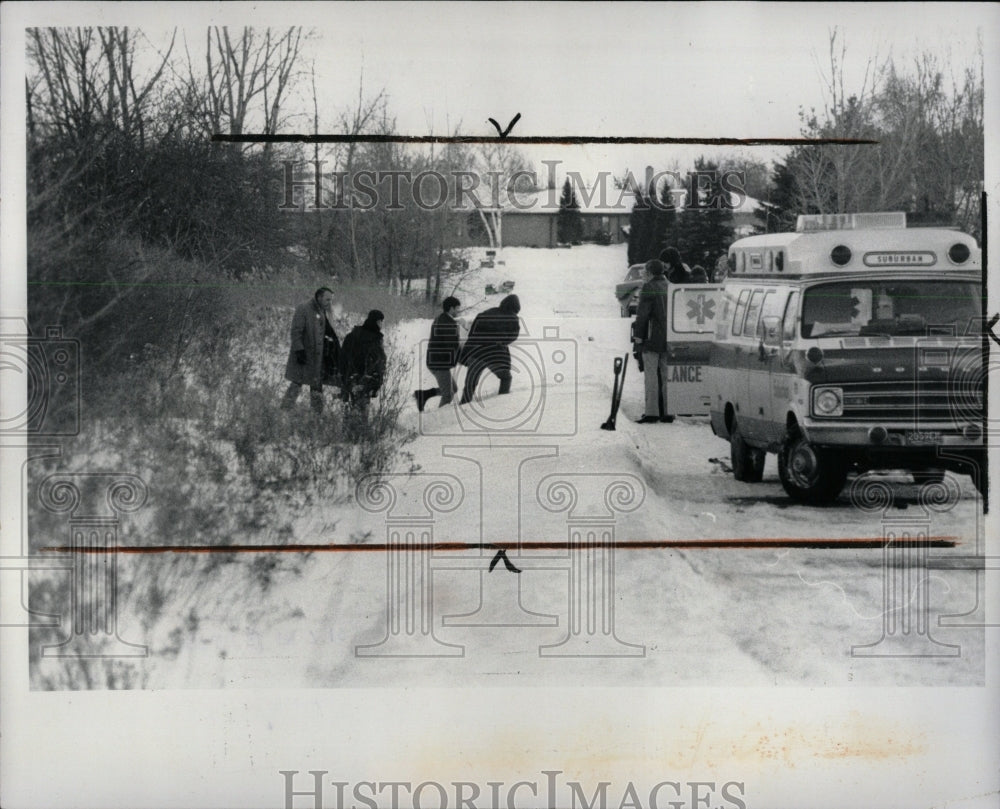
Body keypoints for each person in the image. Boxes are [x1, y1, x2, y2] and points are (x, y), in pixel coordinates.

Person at [281, 287, 340, 414]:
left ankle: (317, 416)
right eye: (327, 299)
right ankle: (284, 410)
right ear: (319, 297)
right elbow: (296, 332)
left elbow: (327, 331)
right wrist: (299, 351)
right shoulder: (303, 308)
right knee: (297, 383)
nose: (330, 303)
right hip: (304, 356)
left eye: (331, 300)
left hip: (317, 358)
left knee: (316, 386)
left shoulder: (324, 310)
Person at [458, 293, 521, 405]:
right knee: (506, 378)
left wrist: (468, 352)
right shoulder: (512, 317)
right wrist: (502, 342)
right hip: (494, 355)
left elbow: (472, 333)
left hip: (476, 353)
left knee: (470, 384)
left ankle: (463, 406)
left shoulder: (486, 313)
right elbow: (513, 336)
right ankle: (502, 403)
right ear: (516, 307)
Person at [632, 259, 673, 423]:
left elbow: (642, 316)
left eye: (645, 272)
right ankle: (668, 411)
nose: (643, 275)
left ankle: (652, 412)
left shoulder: (648, 288)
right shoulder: (670, 286)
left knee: (651, 375)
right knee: (666, 375)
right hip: (670, 337)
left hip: (651, 337)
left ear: (649, 272)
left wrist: (638, 337)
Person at [414, 296, 462, 411]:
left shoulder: (441, 318)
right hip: (439, 363)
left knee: (453, 388)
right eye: (457, 309)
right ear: (451, 308)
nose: (458, 311)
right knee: (448, 394)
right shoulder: (448, 322)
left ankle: (424, 395)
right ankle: (438, 419)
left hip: (436, 361)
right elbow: (452, 345)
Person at [339, 309, 387, 408]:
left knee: (349, 411)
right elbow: (379, 362)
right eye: (381, 321)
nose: (382, 324)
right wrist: (376, 381)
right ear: (377, 322)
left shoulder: (352, 335)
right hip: (366, 380)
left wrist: (345, 378)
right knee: (361, 412)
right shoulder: (375, 340)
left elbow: (342, 358)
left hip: (350, 379)